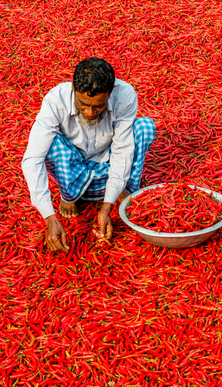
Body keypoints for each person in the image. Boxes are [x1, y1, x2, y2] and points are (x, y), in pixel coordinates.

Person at [22, 57, 156, 253]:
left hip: (108, 159)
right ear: (74, 90)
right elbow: (32, 159)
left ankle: (118, 192)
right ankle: (71, 194)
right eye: (83, 104)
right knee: (48, 145)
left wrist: (106, 207)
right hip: (73, 162)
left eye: (98, 106)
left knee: (144, 127)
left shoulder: (125, 95)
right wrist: (49, 217)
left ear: (110, 93)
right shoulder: (55, 100)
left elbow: (122, 149)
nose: (90, 112)